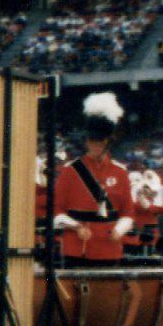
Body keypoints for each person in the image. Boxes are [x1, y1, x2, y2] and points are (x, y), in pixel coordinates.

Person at [52, 92, 133, 267]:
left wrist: (119, 230)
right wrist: (76, 227)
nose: (95, 145)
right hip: (77, 247)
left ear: (108, 141)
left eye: (100, 141)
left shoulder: (120, 172)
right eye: (91, 141)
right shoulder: (70, 170)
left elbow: (128, 214)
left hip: (109, 247)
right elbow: (57, 212)